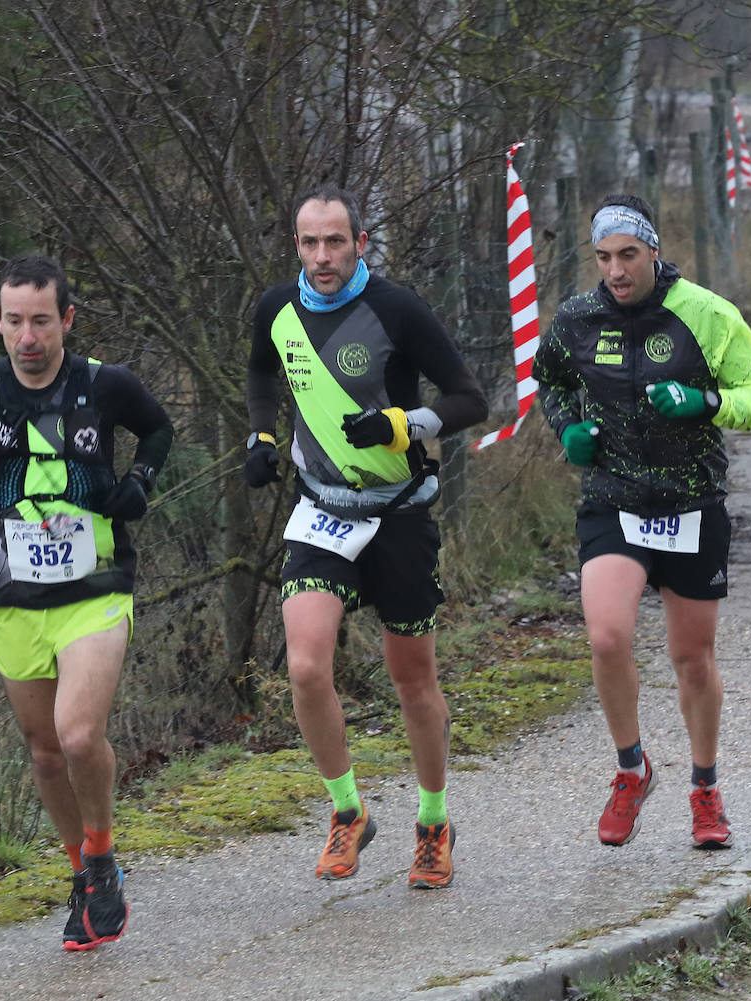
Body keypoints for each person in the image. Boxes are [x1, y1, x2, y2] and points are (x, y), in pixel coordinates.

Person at [0, 255, 173, 951]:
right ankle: (84, 876)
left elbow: (158, 430)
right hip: (17, 596)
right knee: (46, 753)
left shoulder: (105, 383)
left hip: (96, 588)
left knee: (79, 734)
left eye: (40, 321)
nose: (27, 337)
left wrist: (140, 481)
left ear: (66, 319)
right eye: (14, 322)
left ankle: (102, 858)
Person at [244, 184, 488, 888]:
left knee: (413, 679)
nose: (322, 256)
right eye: (310, 242)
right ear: (296, 246)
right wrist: (261, 436)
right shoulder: (276, 309)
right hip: (321, 510)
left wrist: (403, 425)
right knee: (305, 667)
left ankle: (433, 822)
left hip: (399, 513)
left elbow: (470, 399)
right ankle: (348, 811)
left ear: (360, 243)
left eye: (335, 241)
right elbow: (260, 371)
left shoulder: (396, 309)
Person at [532, 194, 751, 850]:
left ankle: (705, 787)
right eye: (604, 257)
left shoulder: (705, 314)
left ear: (653, 251)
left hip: (690, 502)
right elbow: (547, 379)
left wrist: (706, 402)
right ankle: (631, 768)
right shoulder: (578, 318)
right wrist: (568, 429)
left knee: (691, 658)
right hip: (613, 499)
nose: (616, 271)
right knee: (607, 636)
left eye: (628, 255)